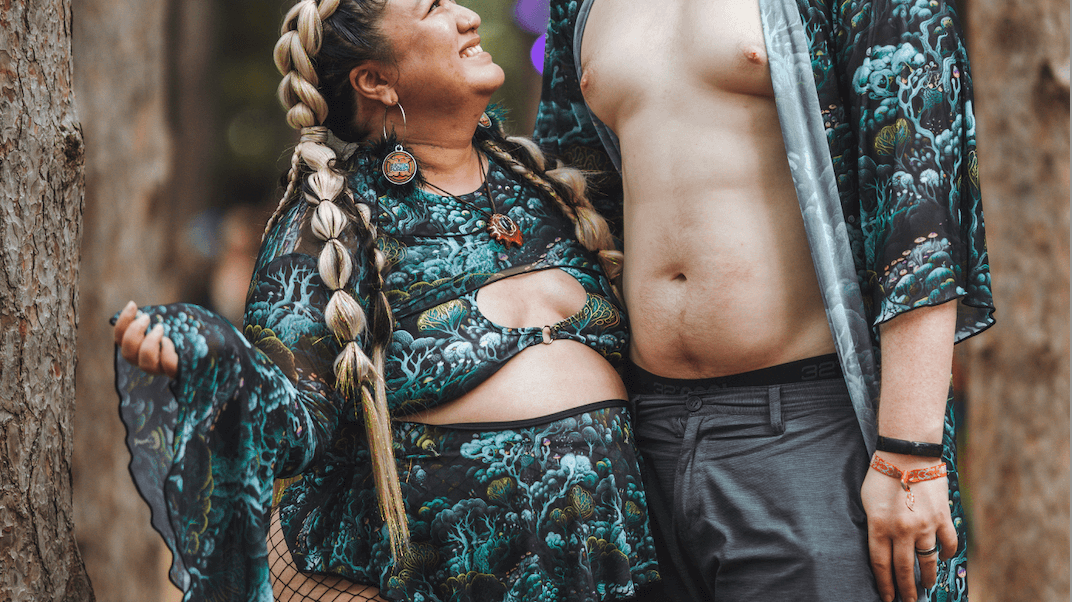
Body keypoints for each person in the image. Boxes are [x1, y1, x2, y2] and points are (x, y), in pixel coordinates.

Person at [111, 0, 661, 600]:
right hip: (439, 576)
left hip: (609, 563)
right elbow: (295, 426)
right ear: (375, 81)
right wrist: (216, 360)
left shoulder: (549, 190)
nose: (468, 16)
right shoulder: (330, 224)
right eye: (434, 7)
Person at [532, 0, 994, 601]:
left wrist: (911, 453)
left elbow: (919, 205)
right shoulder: (577, 6)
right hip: (638, 431)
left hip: (805, 426)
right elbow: (569, 195)